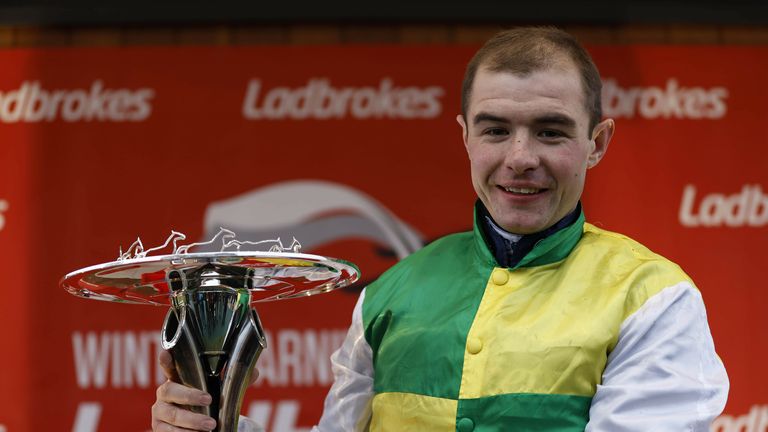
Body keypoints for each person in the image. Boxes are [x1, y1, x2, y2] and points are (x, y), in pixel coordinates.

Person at [152, 26, 728, 431]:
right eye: (496, 130)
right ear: (465, 139)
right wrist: (214, 424)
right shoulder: (391, 291)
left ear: (596, 143)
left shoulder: (655, 296)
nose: (520, 157)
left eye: (550, 131)